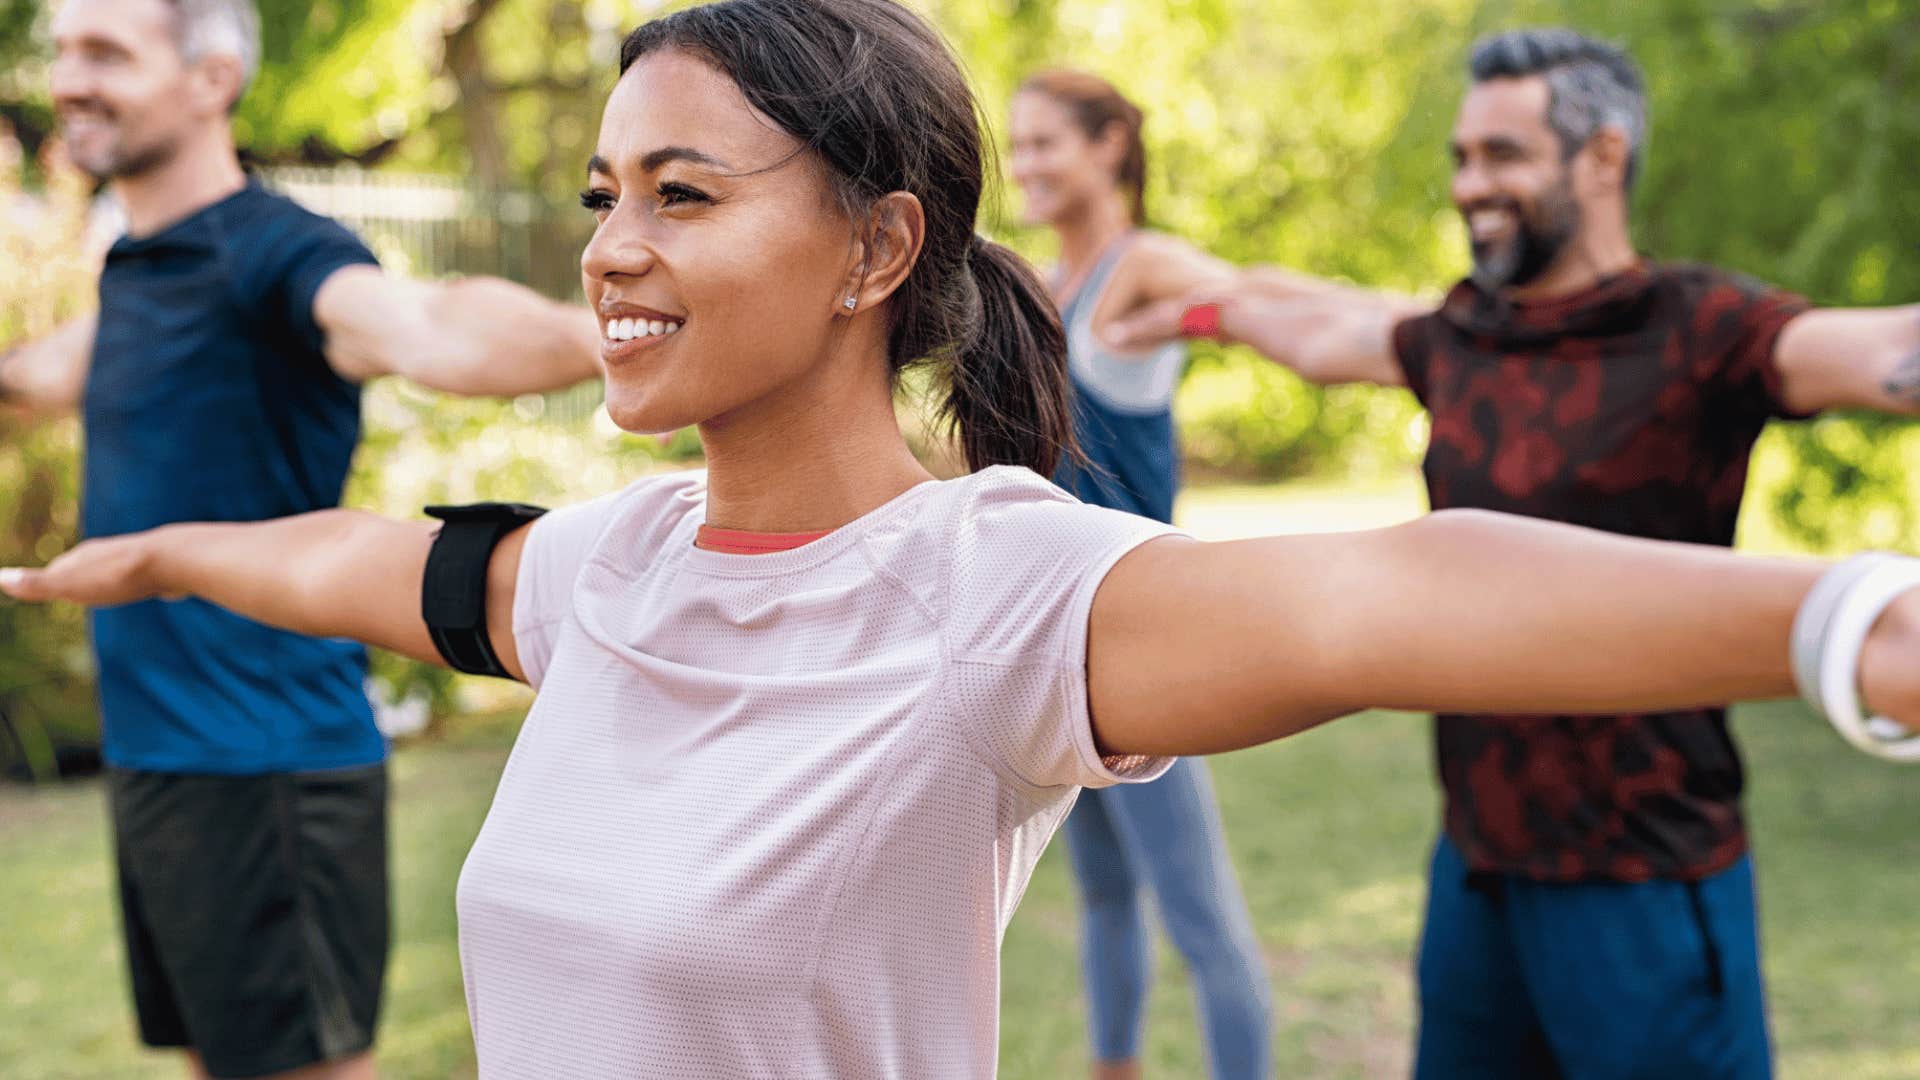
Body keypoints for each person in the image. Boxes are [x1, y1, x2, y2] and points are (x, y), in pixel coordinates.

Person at [2, 4, 1915, 1077]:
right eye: (603, 193)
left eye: (681, 192)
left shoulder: (990, 593)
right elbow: (360, 563)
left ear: (877, 248)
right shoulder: (609, 574)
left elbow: (1390, 588)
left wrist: (1851, 620)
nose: (607, 247)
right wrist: (162, 553)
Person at [1106, 27, 1920, 1080]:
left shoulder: (1703, 328)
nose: (1469, 184)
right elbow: (1319, 326)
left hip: (1645, 882)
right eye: (1460, 157)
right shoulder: (1459, 334)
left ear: (1602, 158)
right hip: (1477, 872)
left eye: (1502, 155)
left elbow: (1887, 350)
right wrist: (1192, 310)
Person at [0, 1, 602, 1077]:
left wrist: (623, 338)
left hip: (264, 766)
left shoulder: (277, 253)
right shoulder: (139, 266)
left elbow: (428, 324)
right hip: (161, 760)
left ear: (211, 76)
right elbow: (36, 379)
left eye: (106, 52)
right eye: (63, 51)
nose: (69, 79)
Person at [1008, 70, 1269, 1080]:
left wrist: (1198, 321)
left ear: (1111, 143)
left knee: (1201, 919)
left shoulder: (1143, 265)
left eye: (1046, 144)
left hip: (1147, 645)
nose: (1024, 164)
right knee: (1108, 898)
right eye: (1018, 145)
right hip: (1055, 647)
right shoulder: (1042, 285)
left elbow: (1250, 299)